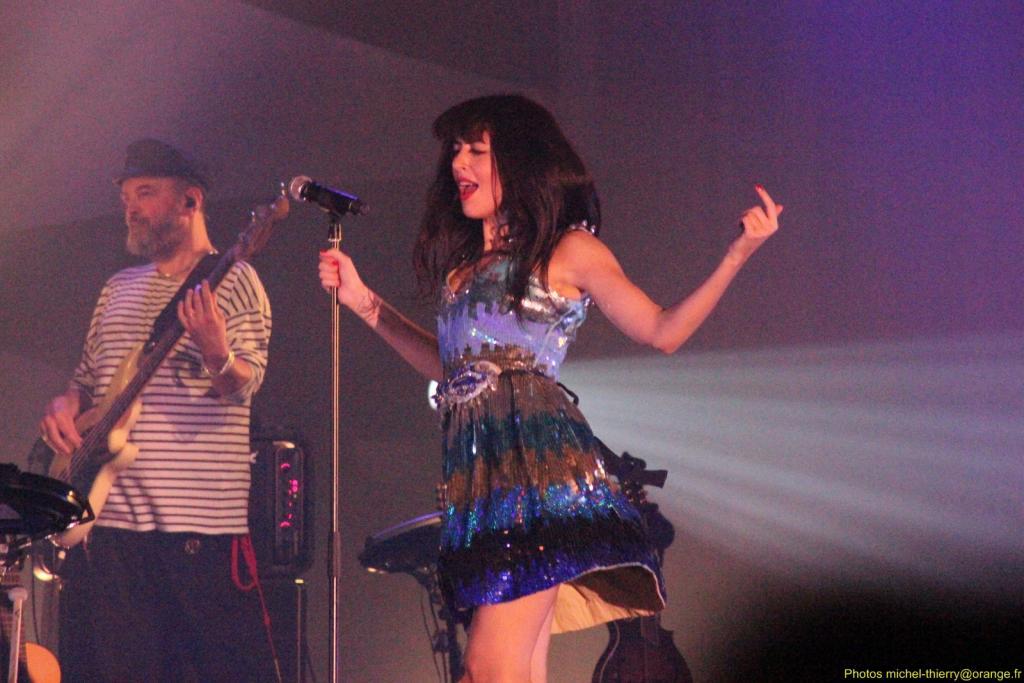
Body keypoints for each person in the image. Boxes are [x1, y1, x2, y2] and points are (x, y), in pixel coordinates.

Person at [318, 94, 782, 683]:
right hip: (481, 489)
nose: (459, 164)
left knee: (488, 669)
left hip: (536, 482)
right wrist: (363, 302)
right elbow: (452, 369)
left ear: (520, 160)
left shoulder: (568, 250)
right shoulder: (465, 270)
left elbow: (662, 330)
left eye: (477, 151)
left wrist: (738, 254)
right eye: (456, 150)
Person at [39, 139, 277, 682]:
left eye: (145, 193)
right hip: (109, 531)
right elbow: (87, 381)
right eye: (126, 197)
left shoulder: (235, 280)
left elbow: (245, 385)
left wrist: (216, 351)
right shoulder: (116, 289)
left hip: (198, 535)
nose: (131, 208)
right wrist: (64, 405)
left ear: (190, 200)